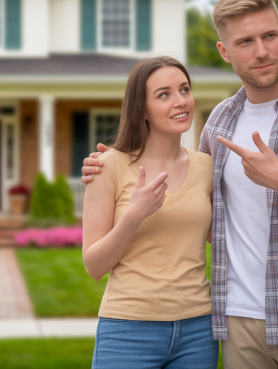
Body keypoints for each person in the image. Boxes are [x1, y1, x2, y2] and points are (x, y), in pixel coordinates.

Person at [82, 0, 278, 369]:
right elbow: (208, 212)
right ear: (225, 52)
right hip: (236, 324)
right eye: (245, 41)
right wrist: (113, 167)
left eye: (269, 36)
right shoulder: (220, 123)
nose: (261, 51)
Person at [83, 55, 219, 369]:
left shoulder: (207, 167)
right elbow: (94, 265)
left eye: (184, 89)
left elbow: (232, 233)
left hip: (197, 329)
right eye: (164, 94)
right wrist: (134, 215)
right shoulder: (107, 167)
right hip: (128, 329)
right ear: (141, 109)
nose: (180, 101)